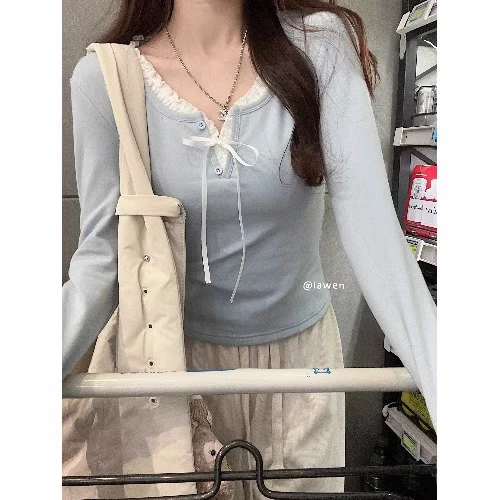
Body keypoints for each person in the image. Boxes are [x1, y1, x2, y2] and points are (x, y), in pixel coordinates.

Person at [62, 0, 437, 497]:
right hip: (174, 373)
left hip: (302, 371)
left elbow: (376, 234)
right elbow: (101, 261)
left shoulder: (320, 45)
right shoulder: (106, 79)